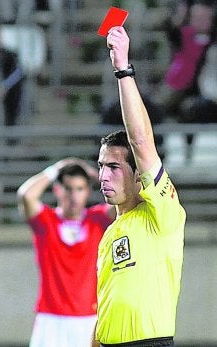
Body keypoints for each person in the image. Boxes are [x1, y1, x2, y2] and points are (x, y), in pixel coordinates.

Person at [93, 27, 186, 346]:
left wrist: (123, 69)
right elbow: (105, 308)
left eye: (114, 167)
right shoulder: (110, 233)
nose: (103, 176)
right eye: (101, 167)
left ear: (138, 176)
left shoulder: (163, 215)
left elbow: (142, 142)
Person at [17, 158, 114, 347]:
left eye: (80, 189)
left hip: (90, 319)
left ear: (88, 191)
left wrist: (98, 175)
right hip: (51, 320)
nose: (74, 196)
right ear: (57, 190)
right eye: (68, 188)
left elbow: (130, 199)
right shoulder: (46, 221)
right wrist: (55, 169)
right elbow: (26, 196)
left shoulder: (98, 219)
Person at [156, 0, 214, 119]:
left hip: (202, 86)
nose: (201, 21)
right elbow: (169, 27)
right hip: (178, 83)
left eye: (204, 18)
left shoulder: (213, 40)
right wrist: (183, 11)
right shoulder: (184, 35)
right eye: (197, 17)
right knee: (160, 106)